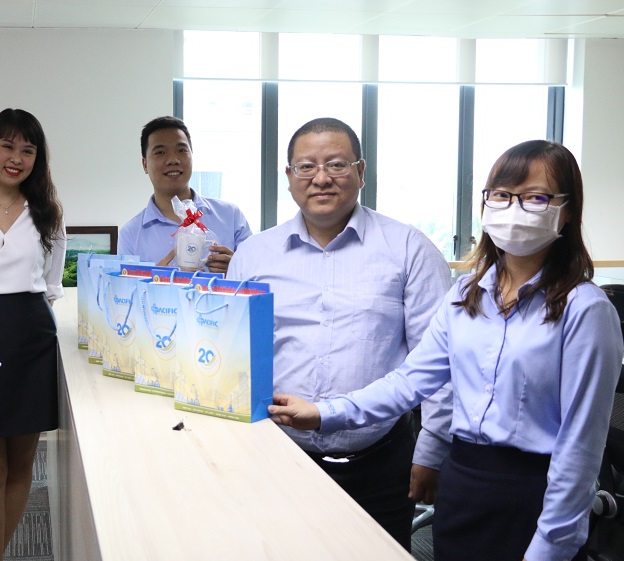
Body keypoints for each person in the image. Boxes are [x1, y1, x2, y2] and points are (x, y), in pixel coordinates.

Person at [269, 139, 624, 561]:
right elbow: (410, 382)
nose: (514, 208)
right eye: (502, 195)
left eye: (535, 198)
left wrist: (553, 544)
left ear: (566, 211)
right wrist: (324, 413)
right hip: (462, 486)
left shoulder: (585, 309)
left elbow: (580, 447)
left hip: (534, 493)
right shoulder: (465, 295)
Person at [226, 117, 453, 550]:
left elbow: (439, 364)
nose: (321, 178)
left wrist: (432, 449)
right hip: (279, 457)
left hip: (382, 462)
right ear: (289, 176)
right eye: (306, 167)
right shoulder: (253, 256)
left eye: (336, 164)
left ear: (361, 172)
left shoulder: (409, 249)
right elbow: (233, 357)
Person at [0, 108, 66, 561]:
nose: (16, 158)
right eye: (7, 146)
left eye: (27, 149)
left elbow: (51, 285)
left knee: (21, 466)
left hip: (31, 337)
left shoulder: (47, 210)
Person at [118, 115, 252, 274]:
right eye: (160, 152)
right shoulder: (131, 234)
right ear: (145, 164)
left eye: (181, 150)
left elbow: (258, 275)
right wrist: (154, 279)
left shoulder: (230, 216)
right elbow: (125, 288)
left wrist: (237, 268)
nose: (173, 160)